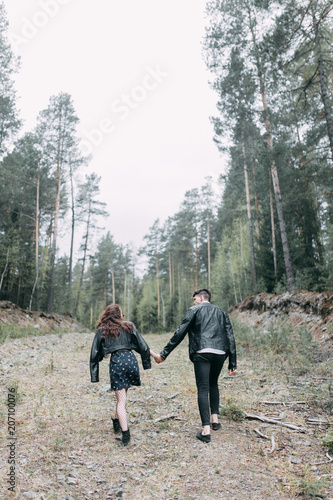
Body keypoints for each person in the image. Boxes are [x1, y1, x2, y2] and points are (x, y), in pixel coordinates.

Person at [152, 289, 237, 443]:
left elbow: (180, 332)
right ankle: (215, 421)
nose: (193, 302)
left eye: (194, 299)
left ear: (200, 297)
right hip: (219, 352)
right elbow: (229, 335)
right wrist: (233, 361)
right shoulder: (222, 312)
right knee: (213, 383)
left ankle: (206, 431)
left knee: (203, 388)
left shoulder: (194, 310)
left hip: (202, 352)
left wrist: (164, 354)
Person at [90, 304, 155, 446]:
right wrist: (148, 363)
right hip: (131, 361)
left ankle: (125, 434)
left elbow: (95, 353)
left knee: (121, 400)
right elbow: (142, 346)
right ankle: (116, 421)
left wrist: (95, 374)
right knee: (123, 394)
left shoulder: (103, 330)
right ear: (119, 315)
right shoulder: (129, 326)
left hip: (117, 363)